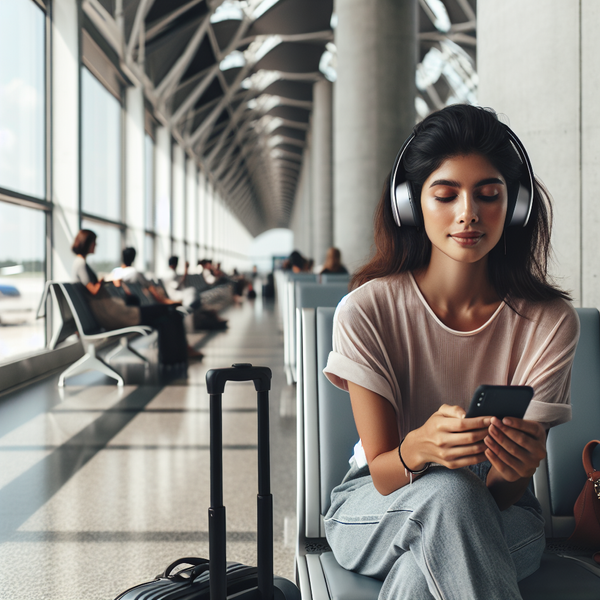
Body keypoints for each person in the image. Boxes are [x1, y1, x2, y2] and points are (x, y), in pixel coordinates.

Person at [322, 105, 580, 599]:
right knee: (449, 495)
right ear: (411, 204)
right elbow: (380, 472)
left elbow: (503, 494)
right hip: (379, 505)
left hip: (505, 511)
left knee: (427, 567)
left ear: (516, 206)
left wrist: (515, 469)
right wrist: (420, 447)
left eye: (489, 195)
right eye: (445, 195)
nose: (469, 213)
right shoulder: (367, 310)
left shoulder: (549, 322)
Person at [71, 231, 203, 361]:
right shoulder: (81, 264)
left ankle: (176, 355)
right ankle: (179, 353)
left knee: (168, 313)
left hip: (114, 312)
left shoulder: (79, 264)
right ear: (87, 243)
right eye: (94, 242)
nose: (96, 245)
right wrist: (103, 278)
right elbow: (93, 290)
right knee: (168, 311)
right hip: (114, 315)